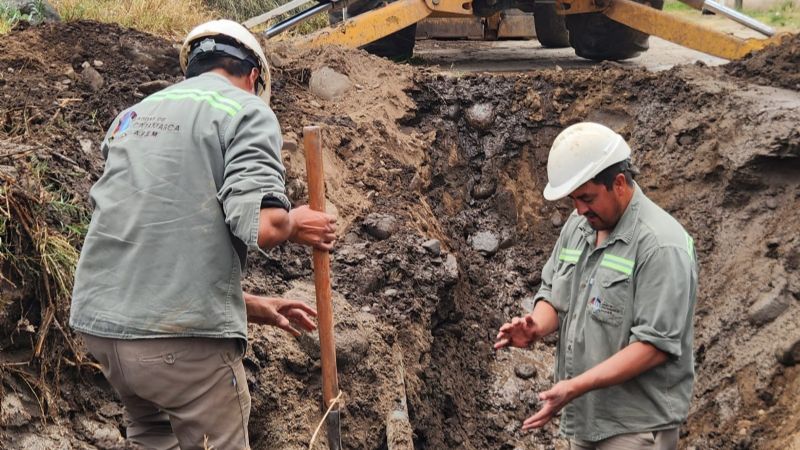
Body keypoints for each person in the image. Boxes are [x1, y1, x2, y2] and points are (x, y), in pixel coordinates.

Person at [69, 20, 337, 449]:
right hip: (180, 351)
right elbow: (262, 226)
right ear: (253, 76)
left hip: (104, 332)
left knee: (153, 438)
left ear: (191, 68)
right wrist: (295, 223)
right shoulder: (247, 110)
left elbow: (149, 240)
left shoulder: (132, 116)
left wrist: (249, 306)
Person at [494, 122, 698, 450]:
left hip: (635, 428)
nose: (579, 210)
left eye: (587, 198)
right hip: (586, 418)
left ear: (618, 183)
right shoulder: (580, 228)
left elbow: (654, 347)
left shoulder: (661, 246)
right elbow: (555, 295)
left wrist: (576, 386)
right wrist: (535, 327)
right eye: (574, 200)